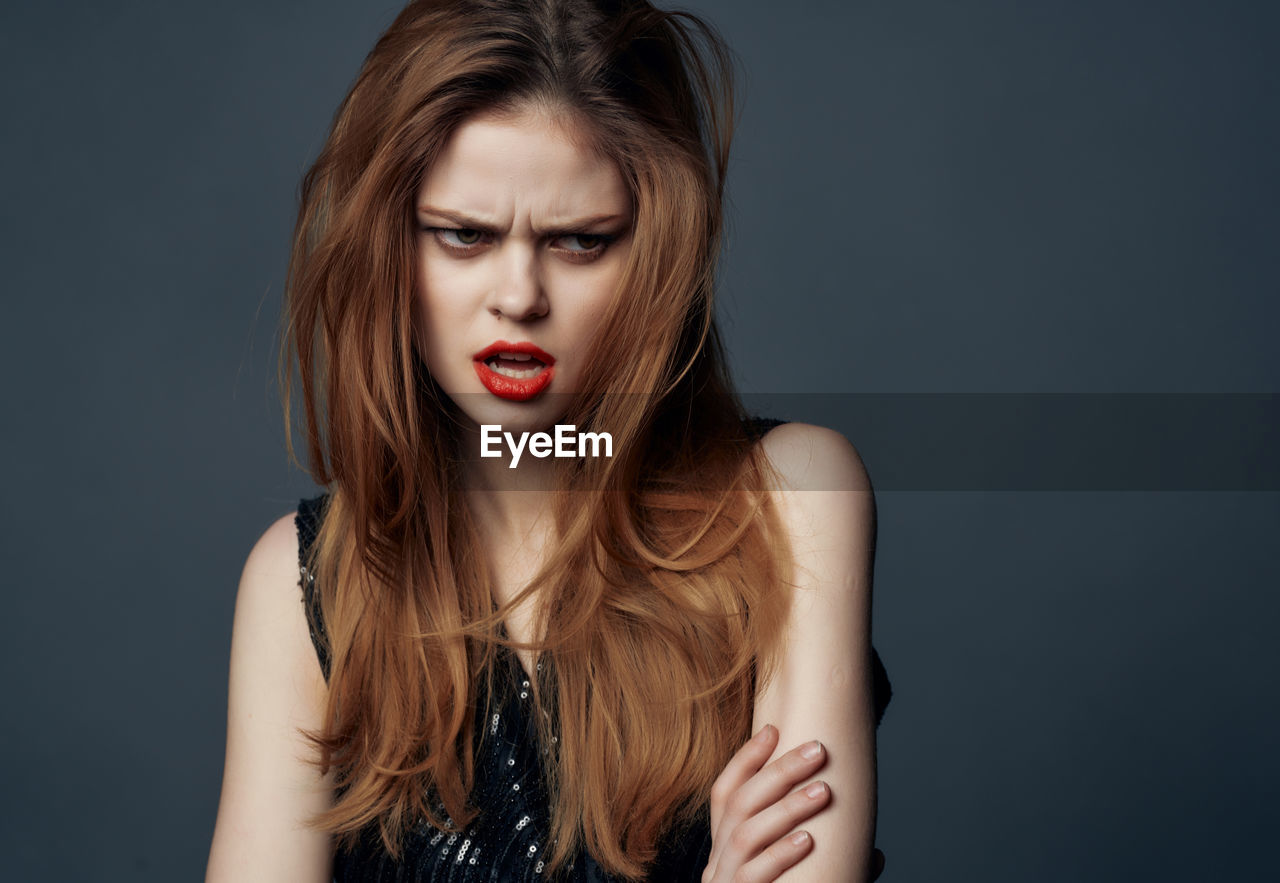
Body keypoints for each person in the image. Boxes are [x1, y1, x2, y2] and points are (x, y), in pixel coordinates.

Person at [207, 1, 891, 880]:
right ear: (390, 249)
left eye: (578, 242)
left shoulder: (788, 500)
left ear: (654, 258)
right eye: (465, 235)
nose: (519, 295)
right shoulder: (309, 589)